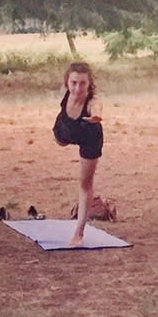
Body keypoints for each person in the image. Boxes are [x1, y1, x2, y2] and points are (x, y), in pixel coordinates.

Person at [53, 61, 104, 247]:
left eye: (83, 84)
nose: (77, 88)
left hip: (89, 136)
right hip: (66, 128)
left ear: (89, 84)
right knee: (59, 141)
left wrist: (96, 116)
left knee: (85, 183)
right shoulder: (67, 93)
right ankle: (64, 139)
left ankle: (79, 232)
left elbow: (97, 107)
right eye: (74, 83)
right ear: (67, 82)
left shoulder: (92, 101)